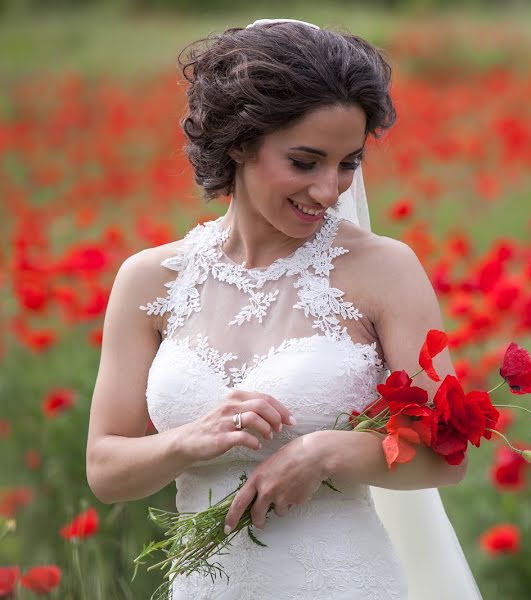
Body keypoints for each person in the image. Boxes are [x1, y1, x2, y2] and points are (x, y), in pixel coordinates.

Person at [86, 18, 482, 599]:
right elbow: (105, 470)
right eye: (305, 161)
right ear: (240, 143)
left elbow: (445, 455)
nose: (329, 190)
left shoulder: (383, 270)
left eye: (348, 163)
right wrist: (189, 440)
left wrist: (324, 453)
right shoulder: (149, 279)